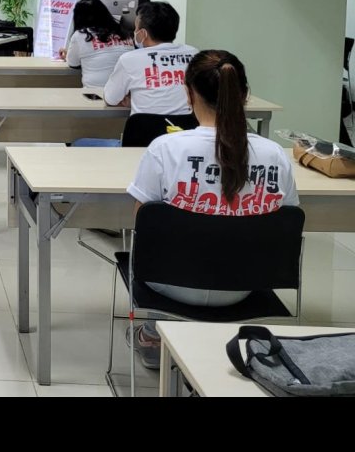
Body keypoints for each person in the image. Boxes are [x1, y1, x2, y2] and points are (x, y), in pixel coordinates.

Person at [125, 50, 299, 368]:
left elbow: (142, 225)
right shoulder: (274, 154)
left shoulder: (164, 149)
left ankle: (153, 334)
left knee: (154, 250)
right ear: (244, 95)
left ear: (188, 94)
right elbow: (284, 225)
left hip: (169, 280)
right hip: (244, 284)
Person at [104, 1, 198, 115]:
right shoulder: (193, 54)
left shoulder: (129, 60)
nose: (135, 32)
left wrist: (134, 99)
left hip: (145, 131)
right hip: (186, 130)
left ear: (143, 33)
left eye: (136, 28)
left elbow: (110, 99)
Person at [60, 0, 134, 88]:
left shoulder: (80, 35)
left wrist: (67, 55)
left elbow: (73, 64)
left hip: (95, 92)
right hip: (126, 94)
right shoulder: (124, 33)